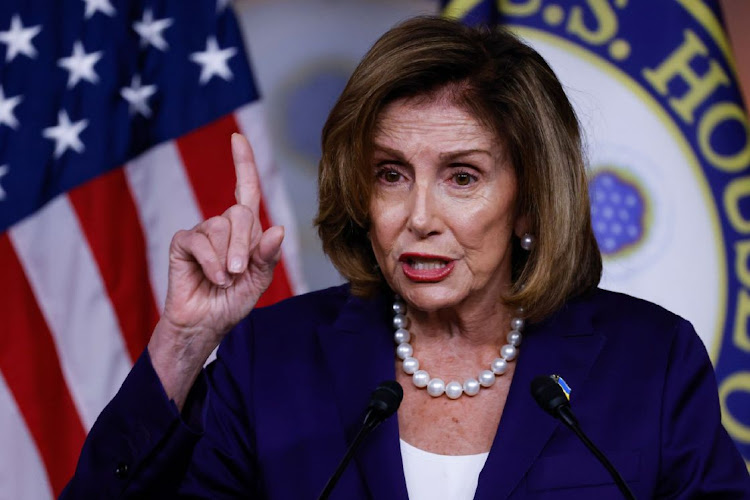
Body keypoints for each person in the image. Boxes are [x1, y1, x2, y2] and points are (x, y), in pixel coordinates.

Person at [61, 16, 749, 499]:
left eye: (462, 176)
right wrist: (184, 341)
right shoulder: (268, 360)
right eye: (391, 173)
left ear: (532, 200)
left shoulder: (651, 364)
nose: (419, 217)